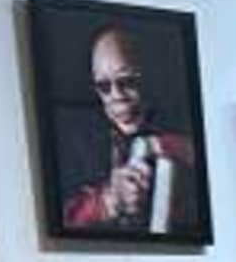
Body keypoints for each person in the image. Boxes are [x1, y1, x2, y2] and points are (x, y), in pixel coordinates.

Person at [58, 23, 204, 238]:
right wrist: (108, 201)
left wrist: (156, 145)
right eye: (104, 86)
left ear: (151, 78)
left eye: (127, 81)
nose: (116, 96)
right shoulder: (75, 142)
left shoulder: (181, 118)